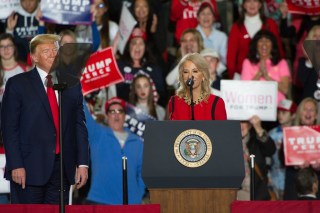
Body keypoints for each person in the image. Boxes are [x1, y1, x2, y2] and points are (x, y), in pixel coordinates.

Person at [1, 34, 89, 204]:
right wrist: (16, 164)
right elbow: (9, 128)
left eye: (55, 50)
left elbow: (79, 126)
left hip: (62, 169)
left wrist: (83, 164)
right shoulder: (17, 84)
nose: (52, 54)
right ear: (34, 57)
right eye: (46, 51)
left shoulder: (72, 84)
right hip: (27, 169)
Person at [84, 97, 146, 204]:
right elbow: (83, 112)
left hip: (130, 204)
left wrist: (138, 195)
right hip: (100, 201)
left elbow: (143, 173)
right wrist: (79, 90)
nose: (116, 115)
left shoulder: (137, 142)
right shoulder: (97, 134)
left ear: (125, 116)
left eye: (120, 111)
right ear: (106, 116)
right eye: (112, 111)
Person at [227, 0, 283, 79]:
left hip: (269, 76)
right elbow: (231, 58)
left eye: (255, 1)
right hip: (242, 77)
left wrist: (280, 73)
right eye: (248, 1)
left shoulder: (270, 24)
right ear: (243, 5)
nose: (252, 4)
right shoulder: (236, 28)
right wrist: (233, 78)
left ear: (260, 4)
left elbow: (279, 51)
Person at [167, 53, 227, 120]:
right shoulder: (174, 102)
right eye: (186, 72)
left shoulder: (217, 102)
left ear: (203, 76)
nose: (190, 76)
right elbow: (171, 129)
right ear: (182, 76)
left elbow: (222, 130)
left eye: (195, 71)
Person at [116, 27, 165, 106]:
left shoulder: (154, 68)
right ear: (129, 46)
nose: (137, 47)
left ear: (145, 47)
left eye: (141, 43)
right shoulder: (119, 66)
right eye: (134, 43)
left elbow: (161, 94)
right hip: (124, 110)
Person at [241, 29, 291, 105]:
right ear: (256, 44)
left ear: (272, 44)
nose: (264, 44)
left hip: (278, 106)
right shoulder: (247, 62)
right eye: (261, 40)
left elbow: (285, 90)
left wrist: (267, 77)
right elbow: (245, 90)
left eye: (267, 40)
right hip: (254, 106)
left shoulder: (281, 63)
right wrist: (259, 74)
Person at [283, 97, 320, 200]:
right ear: (300, 113)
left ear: (316, 114)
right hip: (294, 185)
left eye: (311, 110)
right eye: (305, 109)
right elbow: (282, 158)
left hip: (317, 185)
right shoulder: (289, 133)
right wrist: (294, 163)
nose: (308, 113)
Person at [238, 115, 276, 200]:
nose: (240, 125)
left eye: (243, 122)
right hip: (236, 195)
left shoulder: (256, 141)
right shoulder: (227, 143)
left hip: (258, 195)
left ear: (249, 124)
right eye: (237, 121)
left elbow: (271, 150)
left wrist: (258, 128)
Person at [268, 99, 297, 200]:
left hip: (293, 182)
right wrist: (268, 177)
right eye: (279, 112)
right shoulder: (272, 134)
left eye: (284, 112)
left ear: (293, 115)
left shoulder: (298, 133)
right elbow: (267, 157)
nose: (280, 115)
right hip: (275, 180)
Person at [196, 1, 227, 70]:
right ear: (198, 17)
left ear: (214, 18)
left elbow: (224, 60)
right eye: (203, 14)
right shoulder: (192, 35)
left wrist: (214, 72)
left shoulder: (222, 37)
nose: (206, 17)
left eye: (209, 14)